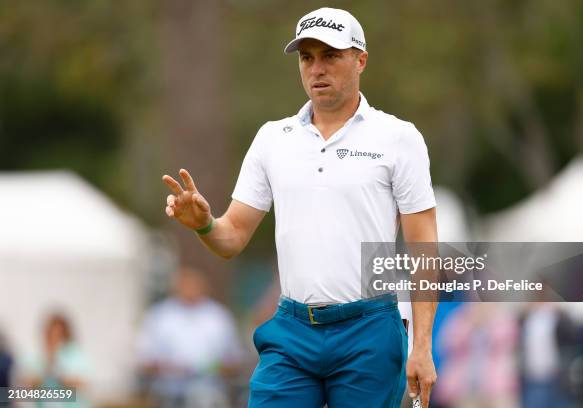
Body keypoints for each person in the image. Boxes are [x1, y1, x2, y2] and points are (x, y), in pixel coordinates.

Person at [162, 7, 438, 407]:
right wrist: (205, 224)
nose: (317, 68)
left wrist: (422, 346)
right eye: (307, 58)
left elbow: (423, 248)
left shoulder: (398, 138)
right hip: (292, 331)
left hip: (369, 329)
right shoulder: (273, 138)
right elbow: (232, 237)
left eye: (330, 56)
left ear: (360, 60)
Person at [136, 266, 243, 408]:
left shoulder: (218, 316)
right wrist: (172, 369)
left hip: (210, 394)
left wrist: (211, 368)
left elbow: (235, 361)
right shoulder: (159, 316)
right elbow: (144, 360)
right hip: (168, 395)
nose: (190, 290)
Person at [19, 312, 91, 408]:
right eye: (51, 335)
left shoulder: (76, 356)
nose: (54, 339)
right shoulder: (36, 356)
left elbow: (81, 383)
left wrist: (57, 372)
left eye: (59, 335)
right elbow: (26, 384)